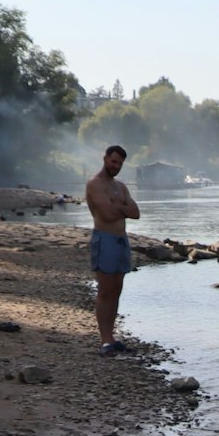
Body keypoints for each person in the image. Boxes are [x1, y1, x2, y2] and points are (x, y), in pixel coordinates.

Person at [84, 145, 140, 356]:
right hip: (104, 239)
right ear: (105, 158)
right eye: (113, 161)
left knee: (117, 289)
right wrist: (120, 207)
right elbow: (106, 214)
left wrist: (117, 206)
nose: (116, 166)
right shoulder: (94, 184)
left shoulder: (120, 187)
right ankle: (104, 339)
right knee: (105, 289)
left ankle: (112, 336)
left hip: (121, 240)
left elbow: (136, 212)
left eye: (119, 163)